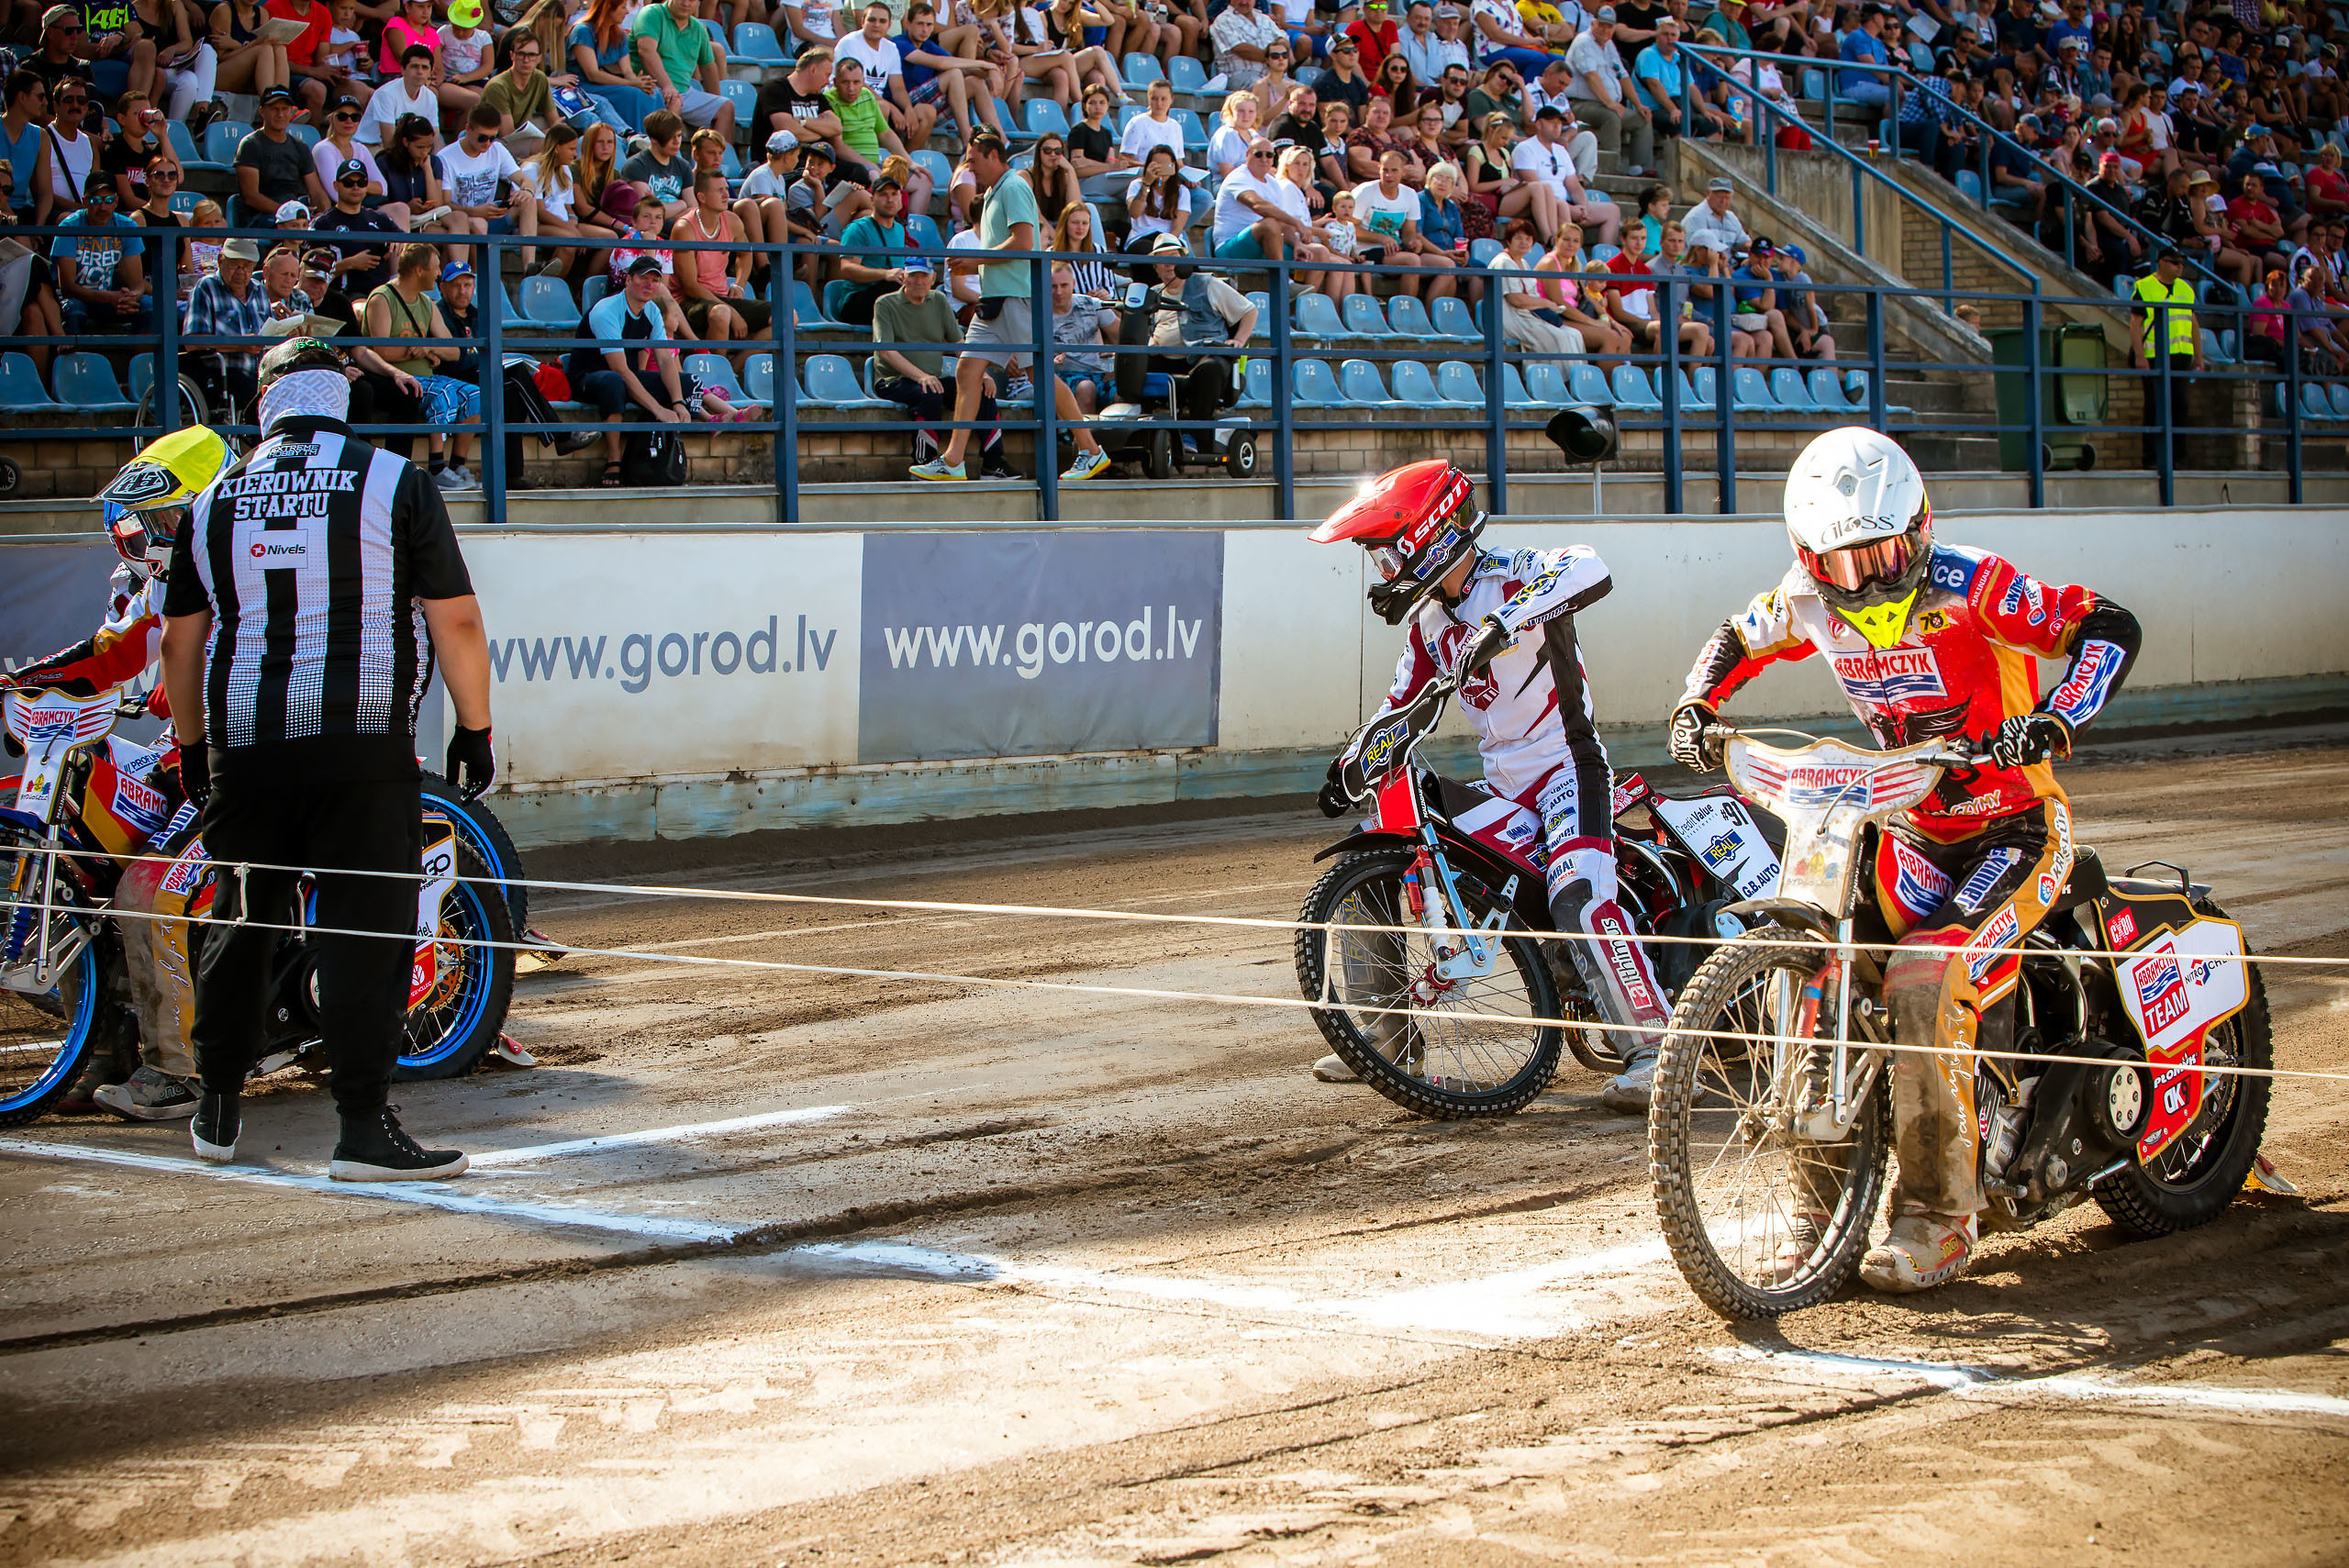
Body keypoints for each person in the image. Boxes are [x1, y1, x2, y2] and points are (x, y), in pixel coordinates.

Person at [1668, 427, 2141, 1291]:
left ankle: (1937, 1218)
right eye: (1847, 565)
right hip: (1907, 822)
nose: (1872, 577)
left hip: (2018, 827)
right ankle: (1817, 1212)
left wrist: (2059, 713)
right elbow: (1736, 637)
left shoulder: (1977, 583)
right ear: (1810, 560)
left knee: (1925, 979)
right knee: (1824, 962)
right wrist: (1697, 704)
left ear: (1921, 526)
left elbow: (2107, 626)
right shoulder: (1803, 599)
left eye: (1889, 551)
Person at [155, 337, 491, 1181]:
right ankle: (362, 1127)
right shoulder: (395, 480)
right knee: (363, 931)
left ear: (264, 401)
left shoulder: (213, 498)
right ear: (341, 395)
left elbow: (180, 644)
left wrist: (193, 747)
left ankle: (217, 1108)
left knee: (240, 920)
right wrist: (474, 728)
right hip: (362, 742)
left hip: (247, 743)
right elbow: (455, 621)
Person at [1308, 460, 1669, 1092]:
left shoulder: (1513, 574)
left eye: (1389, 557)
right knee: (1384, 828)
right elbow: (1402, 712)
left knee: (1575, 895)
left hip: (1569, 770)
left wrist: (1506, 624)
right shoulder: (1429, 626)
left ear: (1431, 536)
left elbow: (1589, 567)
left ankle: (1660, 1051)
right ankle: (1389, 1040)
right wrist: (1352, 765)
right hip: (1505, 789)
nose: (1385, 574)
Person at [2, 428, 234, 1120]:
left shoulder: (245, 565)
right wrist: (22, 683)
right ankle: (106, 1046)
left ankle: (179, 1071)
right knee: (81, 850)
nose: (146, 538)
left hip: (242, 759)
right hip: (180, 751)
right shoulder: (159, 578)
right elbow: (114, 649)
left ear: (202, 508)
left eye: (163, 520)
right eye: (142, 523)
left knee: (147, 886)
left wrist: (157, 695)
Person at [912, 133, 1110, 482]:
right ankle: (954, 459)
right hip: (995, 302)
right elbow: (1006, 253)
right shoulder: (991, 193)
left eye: (973, 160)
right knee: (966, 372)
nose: (969, 167)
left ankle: (1091, 450)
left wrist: (976, 258)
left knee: (1041, 379)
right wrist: (973, 265)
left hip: (1017, 299)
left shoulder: (1014, 187)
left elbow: (1023, 243)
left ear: (992, 156)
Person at [873, 252, 1008, 469]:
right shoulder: (886, 304)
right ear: (904, 277)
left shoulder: (939, 300)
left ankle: (994, 464)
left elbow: (958, 343)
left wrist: (981, 375)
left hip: (931, 378)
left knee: (981, 389)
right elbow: (886, 351)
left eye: (923, 276)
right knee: (930, 391)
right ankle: (924, 461)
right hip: (893, 380)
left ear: (933, 277)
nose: (918, 281)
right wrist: (922, 377)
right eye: (913, 276)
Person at [2131, 246, 2201, 466]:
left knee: (2180, 407)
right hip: (2154, 356)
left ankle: (2178, 458)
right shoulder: (2144, 287)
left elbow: (2193, 323)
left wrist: (2199, 356)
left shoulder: (2186, 289)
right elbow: (2135, 324)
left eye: (2181, 263)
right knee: (2153, 407)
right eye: (2174, 262)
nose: (2179, 267)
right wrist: (2140, 357)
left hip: (2181, 355)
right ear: (2161, 262)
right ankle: (2150, 458)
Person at [52, 181, 151, 336]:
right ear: (85, 201)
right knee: (74, 310)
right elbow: (67, 288)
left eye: (109, 200)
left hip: (111, 299)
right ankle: (71, 358)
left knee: (148, 306)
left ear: (116, 201)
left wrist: (130, 297)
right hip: (79, 298)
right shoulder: (69, 226)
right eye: (96, 201)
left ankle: (145, 360)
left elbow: (137, 283)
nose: (103, 207)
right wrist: (109, 297)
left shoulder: (126, 226)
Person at [633, 0, 738, 137]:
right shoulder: (652, 13)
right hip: (650, 87)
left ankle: (720, 156)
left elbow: (708, 67)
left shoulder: (698, 28)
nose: (686, 4)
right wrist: (667, 85)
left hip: (684, 92)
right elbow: (646, 51)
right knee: (673, 100)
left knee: (726, 107)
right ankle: (668, 155)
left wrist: (715, 99)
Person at [236, 83, 326, 229]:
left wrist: (323, 215)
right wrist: (288, 213)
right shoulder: (250, 145)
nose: (280, 114)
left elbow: (315, 191)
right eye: (274, 109)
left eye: (285, 109)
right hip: (261, 217)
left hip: (294, 217)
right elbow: (251, 197)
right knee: (293, 226)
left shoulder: (300, 147)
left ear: (292, 112)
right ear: (262, 111)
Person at [312, 155, 399, 292]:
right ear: (336, 186)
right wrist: (350, 263)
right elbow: (312, 271)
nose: (355, 187)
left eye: (361, 182)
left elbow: (405, 241)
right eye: (348, 182)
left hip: (382, 293)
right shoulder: (323, 223)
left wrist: (399, 243)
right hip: (347, 295)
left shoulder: (379, 219)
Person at [1048, 258, 1116, 414]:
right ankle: (1082, 438)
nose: (1059, 292)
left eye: (1064, 285)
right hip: (1062, 374)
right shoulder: (1039, 313)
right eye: (1053, 286)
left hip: (1099, 372)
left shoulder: (1090, 304)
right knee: (1086, 388)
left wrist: (1117, 364)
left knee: (1124, 392)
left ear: (1073, 283)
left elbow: (1121, 335)